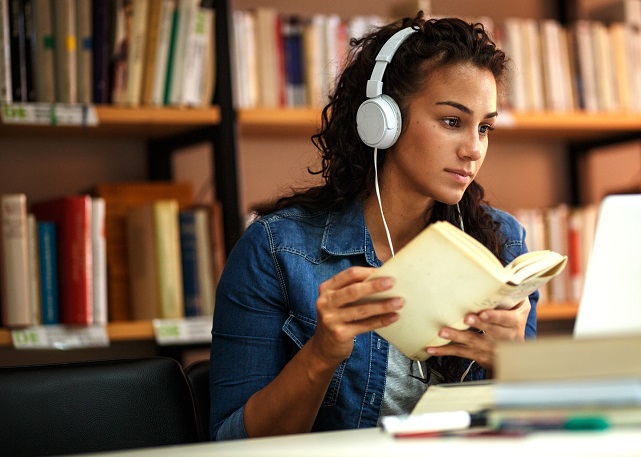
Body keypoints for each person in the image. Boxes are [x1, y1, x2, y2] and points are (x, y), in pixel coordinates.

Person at [210, 12, 539, 440]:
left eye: (485, 127)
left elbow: (528, 431)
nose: (474, 149)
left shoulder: (503, 242)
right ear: (383, 121)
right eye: (452, 122)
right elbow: (231, 442)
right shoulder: (275, 250)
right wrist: (322, 354)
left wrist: (514, 364)